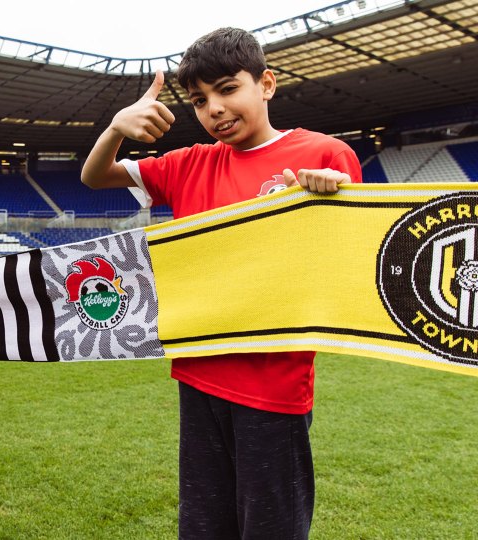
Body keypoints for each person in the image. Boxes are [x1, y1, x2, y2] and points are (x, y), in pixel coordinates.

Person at [80, 27, 362, 539]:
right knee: (204, 526)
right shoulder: (191, 163)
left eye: (228, 89)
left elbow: (349, 269)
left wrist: (332, 200)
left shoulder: (324, 155)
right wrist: (116, 128)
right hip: (198, 374)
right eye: (199, 100)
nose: (214, 108)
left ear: (266, 84)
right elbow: (95, 177)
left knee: (270, 528)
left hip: (273, 387)